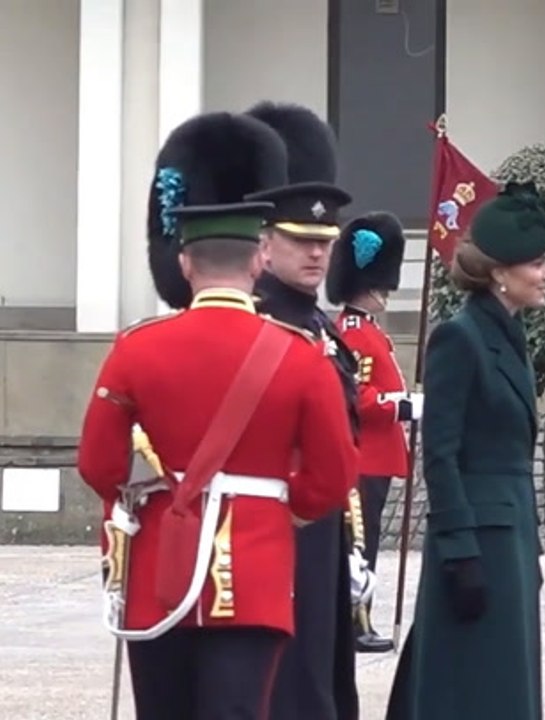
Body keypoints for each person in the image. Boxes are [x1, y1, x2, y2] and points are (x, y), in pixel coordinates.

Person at [76, 110, 358, 720]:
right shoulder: (299, 353)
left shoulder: (135, 347)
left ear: (184, 264)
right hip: (255, 568)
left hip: (158, 570)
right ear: (258, 258)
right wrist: (283, 507)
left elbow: (98, 465)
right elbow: (333, 478)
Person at [387, 180, 545, 720]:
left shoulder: (511, 334)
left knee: (506, 680)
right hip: (476, 544)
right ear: (500, 272)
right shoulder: (458, 337)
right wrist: (458, 549)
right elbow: (439, 453)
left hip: (512, 536)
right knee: (470, 682)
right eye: (538, 263)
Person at [239, 100, 371, 716]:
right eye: (300, 241)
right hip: (276, 522)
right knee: (289, 679)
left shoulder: (320, 323)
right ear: (263, 243)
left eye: (324, 241)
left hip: (324, 523)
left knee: (323, 669)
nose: (317, 254)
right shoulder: (257, 321)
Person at [325, 210, 422, 650]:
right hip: (364, 455)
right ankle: (355, 621)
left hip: (377, 457)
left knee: (366, 543)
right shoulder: (352, 333)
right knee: (359, 546)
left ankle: (357, 618)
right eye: (379, 287)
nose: (385, 294)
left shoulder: (366, 331)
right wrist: (401, 405)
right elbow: (358, 397)